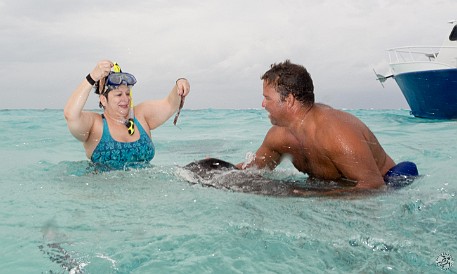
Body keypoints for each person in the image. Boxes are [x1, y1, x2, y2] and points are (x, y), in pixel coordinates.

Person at [237, 60, 418, 194]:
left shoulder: (336, 133)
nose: (263, 104)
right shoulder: (278, 137)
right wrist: (215, 170)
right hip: (336, 187)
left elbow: (373, 186)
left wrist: (308, 195)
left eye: (267, 98)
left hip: (388, 183)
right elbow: (253, 168)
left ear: (289, 100)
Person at [64, 60, 190, 170]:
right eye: (119, 95)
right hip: (104, 194)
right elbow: (71, 115)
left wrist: (180, 83)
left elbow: (170, 104)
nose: (125, 99)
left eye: (128, 93)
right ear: (103, 100)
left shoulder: (141, 115)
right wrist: (92, 77)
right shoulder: (95, 125)